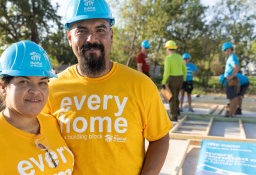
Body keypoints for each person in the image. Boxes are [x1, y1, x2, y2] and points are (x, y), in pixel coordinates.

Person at [43, 0, 172, 174]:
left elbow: (160, 138)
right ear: (69, 37)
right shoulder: (51, 88)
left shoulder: (141, 85)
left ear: (111, 35)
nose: (91, 38)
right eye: (81, 31)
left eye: (100, 30)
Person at [0, 41, 74, 174]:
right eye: (24, 81)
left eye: (42, 82)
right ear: (3, 87)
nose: (35, 90)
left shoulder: (53, 124)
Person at [161, 40, 187, 121]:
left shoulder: (168, 58)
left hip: (172, 79)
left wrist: (163, 81)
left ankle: (173, 116)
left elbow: (167, 72)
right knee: (176, 96)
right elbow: (185, 69)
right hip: (180, 78)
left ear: (168, 49)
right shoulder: (179, 57)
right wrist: (184, 80)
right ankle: (177, 110)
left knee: (171, 98)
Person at [222, 42, 240, 118]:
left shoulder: (232, 57)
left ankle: (230, 115)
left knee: (232, 99)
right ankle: (233, 113)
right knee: (234, 98)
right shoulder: (232, 57)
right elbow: (237, 67)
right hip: (231, 80)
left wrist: (231, 76)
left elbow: (236, 67)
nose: (224, 52)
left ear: (229, 49)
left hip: (230, 81)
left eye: (225, 50)